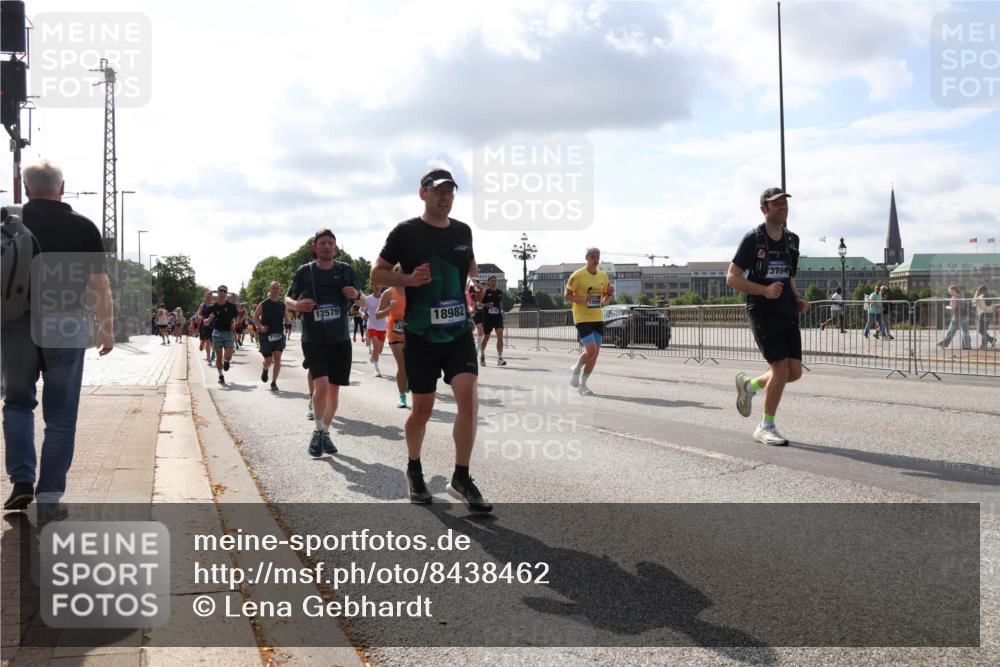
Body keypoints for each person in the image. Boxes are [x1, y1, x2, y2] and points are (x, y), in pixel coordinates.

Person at [370, 168, 491, 513]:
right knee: (423, 410)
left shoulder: (463, 231)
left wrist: (473, 285)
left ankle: (461, 477)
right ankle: (414, 468)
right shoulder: (405, 232)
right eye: (439, 191)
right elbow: (377, 273)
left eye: (450, 191)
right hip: (421, 334)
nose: (445, 197)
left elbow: (469, 267)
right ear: (423, 193)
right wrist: (407, 278)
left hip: (458, 333)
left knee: (468, 402)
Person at [2, 159, 114, 511]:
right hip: (66, 324)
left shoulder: (7, 224)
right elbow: (99, 285)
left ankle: (22, 480)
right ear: (61, 188)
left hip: (15, 323)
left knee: (17, 403)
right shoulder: (82, 226)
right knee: (61, 416)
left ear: (26, 188)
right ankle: (49, 498)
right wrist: (106, 327)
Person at [727, 187, 808, 447]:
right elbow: (732, 277)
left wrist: (796, 298)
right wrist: (764, 290)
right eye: (776, 204)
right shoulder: (753, 239)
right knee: (780, 369)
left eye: (785, 203)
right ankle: (766, 425)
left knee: (794, 372)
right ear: (764, 209)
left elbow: (788, 275)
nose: (783, 207)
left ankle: (749, 386)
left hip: (786, 310)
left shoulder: (792, 239)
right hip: (762, 312)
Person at [286, 228, 362, 457]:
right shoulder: (305, 271)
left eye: (331, 243)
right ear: (314, 247)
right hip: (314, 339)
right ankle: (318, 429)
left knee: (334, 392)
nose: (327, 246)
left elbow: (361, 295)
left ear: (335, 247)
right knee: (322, 386)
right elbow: (288, 299)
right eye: (322, 243)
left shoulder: (345, 269)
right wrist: (297, 305)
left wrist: (356, 295)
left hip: (340, 338)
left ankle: (324, 433)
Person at [566, 247, 614, 395]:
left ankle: (583, 385)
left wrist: (610, 295)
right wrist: (582, 298)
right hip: (582, 317)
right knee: (591, 350)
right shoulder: (577, 275)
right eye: (593, 256)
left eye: (597, 256)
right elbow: (567, 296)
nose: (595, 259)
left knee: (595, 354)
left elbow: (604, 301)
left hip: (597, 317)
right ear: (587, 258)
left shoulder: (603, 276)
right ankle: (576, 367)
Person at [376, 267, 409, 408]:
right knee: (402, 365)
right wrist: (389, 309)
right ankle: (402, 397)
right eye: (398, 273)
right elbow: (377, 315)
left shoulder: (412, 291)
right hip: (394, 332)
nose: (400, 276)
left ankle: (407, 381)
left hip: (411, 332)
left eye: (403, 272)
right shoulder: (388, 293)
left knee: (411, 365)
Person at [202, 286, 239, 385]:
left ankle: (226, 361)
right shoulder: (212, 308)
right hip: (217, 333)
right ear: (218, 293)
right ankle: (220, 375)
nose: (222, 292)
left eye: (225, 291)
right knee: (219, 356)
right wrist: (209, 319)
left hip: (228, 333)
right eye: (221, 291)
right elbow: (205, 322)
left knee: (228, 356)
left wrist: (234, 323)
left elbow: (237, 318)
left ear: (226, 293)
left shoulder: (231, 306)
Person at [255, 281, 287, 391]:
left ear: (280, 290)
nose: (275, 290)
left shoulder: (282, 305)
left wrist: (288, 322)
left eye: (277, 288)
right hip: (266, 335)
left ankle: (274, 382)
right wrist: (260, 326)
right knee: (268, 361)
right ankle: (265, 369)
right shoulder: (263, 304)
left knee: (278, 359)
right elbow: (255, 318)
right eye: (273, 288)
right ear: (269, 289)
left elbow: (287, 318)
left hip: (278, 335)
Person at [480, 276, 507, 366]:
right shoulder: (485, 292)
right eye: (492, 281)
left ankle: (500, 358)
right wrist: (486, 305)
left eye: (495, 281)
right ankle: (482, 355)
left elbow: (500, 303)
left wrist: (502, 309)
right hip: (488, 317)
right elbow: (478, 304)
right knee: (486, 337)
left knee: (500, 335)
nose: (494, 282)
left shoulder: (499, 292)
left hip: (498, 317)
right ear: (488, 283)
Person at [364, 285, 388, 377]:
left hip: (382, 326)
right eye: (374, 285)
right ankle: (377, 370)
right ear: (372, 286)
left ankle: (373, 357)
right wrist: (362, 314)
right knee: (376, 345)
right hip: (371, 325)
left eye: (378, 285)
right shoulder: (368, 299)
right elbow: (361, 309)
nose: (377, 287)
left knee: (380, 350)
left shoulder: (385, 297)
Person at [938, 285, 972, 350]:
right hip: (964, 315)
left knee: (951, 331)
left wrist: (947, 307)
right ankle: (967, 346)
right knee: (965, 331)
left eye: (950, 290)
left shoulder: (954, 297)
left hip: (957, 316)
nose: (949, 292)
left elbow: (953, 308)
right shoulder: (962, 296)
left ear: (953, 290)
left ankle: (943, 344)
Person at [196, 292, 216, 364]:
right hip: (205, 325)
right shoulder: (202, 305)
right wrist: (200, 317)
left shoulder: (214, 305)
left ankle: (213, 352)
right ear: (205, 297)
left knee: (213, 342)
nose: (208, 298)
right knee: (207, 341)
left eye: (209, 297)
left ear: (212, 297)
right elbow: (199, 314)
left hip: (213, 325)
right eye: (207, 297)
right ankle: (208, 358)